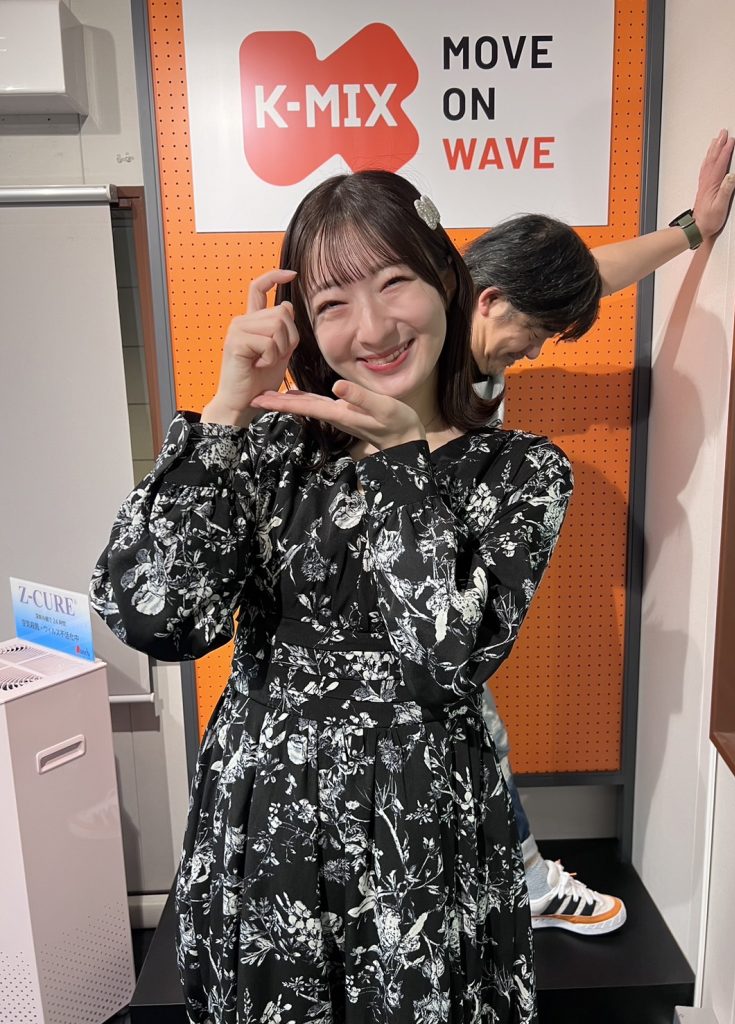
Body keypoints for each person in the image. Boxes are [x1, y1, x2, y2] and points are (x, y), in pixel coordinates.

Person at [91, 170, 573, 1024]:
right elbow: (155, 614)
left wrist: (400, 467)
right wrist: (226, 410)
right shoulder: (271, 448)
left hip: (423, 832)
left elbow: (445, 662)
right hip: (267, 820)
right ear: (303, 323)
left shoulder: (520, 472)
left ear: (447, 281)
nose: (374, 327)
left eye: (395, 282)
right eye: (333, 302)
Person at [464, 129, 735, 933]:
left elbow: (597, 273)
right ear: (492, 301)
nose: (537, 351)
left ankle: (518, 884)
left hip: (436, 585)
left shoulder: (472, 315)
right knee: (467, 728)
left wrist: (692, 230)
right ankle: (522, 889)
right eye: (537, 333)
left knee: (473, 728)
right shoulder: (420, 352)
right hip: (397, 586)